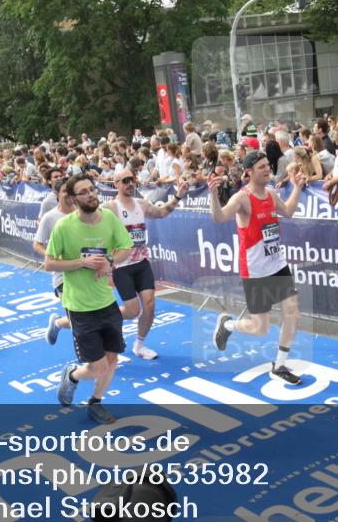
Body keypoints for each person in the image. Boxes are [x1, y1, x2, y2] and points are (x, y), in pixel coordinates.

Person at [207, 151, 307, 384]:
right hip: (255, 270)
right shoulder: (242, 198)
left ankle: (279, 365)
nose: (267, 169)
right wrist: (213, 195)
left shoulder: (271, 193)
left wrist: (297, 188)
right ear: (249, 172)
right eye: (261, 167)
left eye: (267, 165)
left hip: (277, 264)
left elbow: (288, 211)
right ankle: (227, 325)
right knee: (260, 328)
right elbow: (219, 218)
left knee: (293, 313)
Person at [46, 175, 134, 425]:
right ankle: (72, 375)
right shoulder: (64, 227)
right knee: (97, 367)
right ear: (73, 199)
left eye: (92, 189)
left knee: (112, 360)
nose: (91, 194)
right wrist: (81, 262)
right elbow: (49, 263)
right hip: (80, 307)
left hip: (107, 302)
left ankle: (95, 402)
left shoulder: (109, 218)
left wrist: (110, 261)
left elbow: (126, 247)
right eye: (83, 192)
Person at [98, 170, 188, 360]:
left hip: (141, 263)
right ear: (116, 184)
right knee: (133, 311)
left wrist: (178, 195)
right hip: (122, 266)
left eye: (132, 179)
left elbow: (161, 212)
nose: (130, 183)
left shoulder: (141, 204)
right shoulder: (110, 208)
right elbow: (91, 223)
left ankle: (139, 345)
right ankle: (102, 318)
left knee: (150, 304)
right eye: (125, 181)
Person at [33, 179, 76, 343]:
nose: (69, 195)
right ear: (57, 194)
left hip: (84, 271)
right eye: (65, 191)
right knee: (75, 319)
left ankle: (57, 323)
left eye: (72, 191)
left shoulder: (82, 212)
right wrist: (50, 256)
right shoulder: (50, 217)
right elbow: (37, 244)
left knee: (88, 317)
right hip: (62, 275)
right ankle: (58, 323)